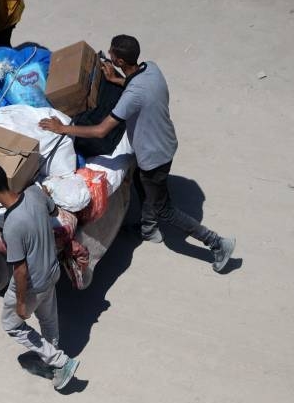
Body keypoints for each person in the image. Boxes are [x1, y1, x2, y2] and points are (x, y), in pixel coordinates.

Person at [38, 35, 237, 273]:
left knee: (164, 207)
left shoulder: (133, 95)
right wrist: (116, 79)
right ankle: (148, 229)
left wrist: (63, 128)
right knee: (144, 185)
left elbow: (101, 131)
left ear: (120, 60)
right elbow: (137, 87)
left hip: (155, 156)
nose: (109, 58)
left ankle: (217, 243)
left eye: (112, 55)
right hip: (164, 141)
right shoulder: (151, 69)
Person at [0, 162, 80, 391]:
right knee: (48, 319)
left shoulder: (12, 225)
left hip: (33, 283)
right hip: (52, 271)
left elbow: (20, 269)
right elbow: (53, 211)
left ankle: (60, 362)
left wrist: (21, 302)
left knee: (12, 324)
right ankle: (51, 358)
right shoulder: (34, 192)